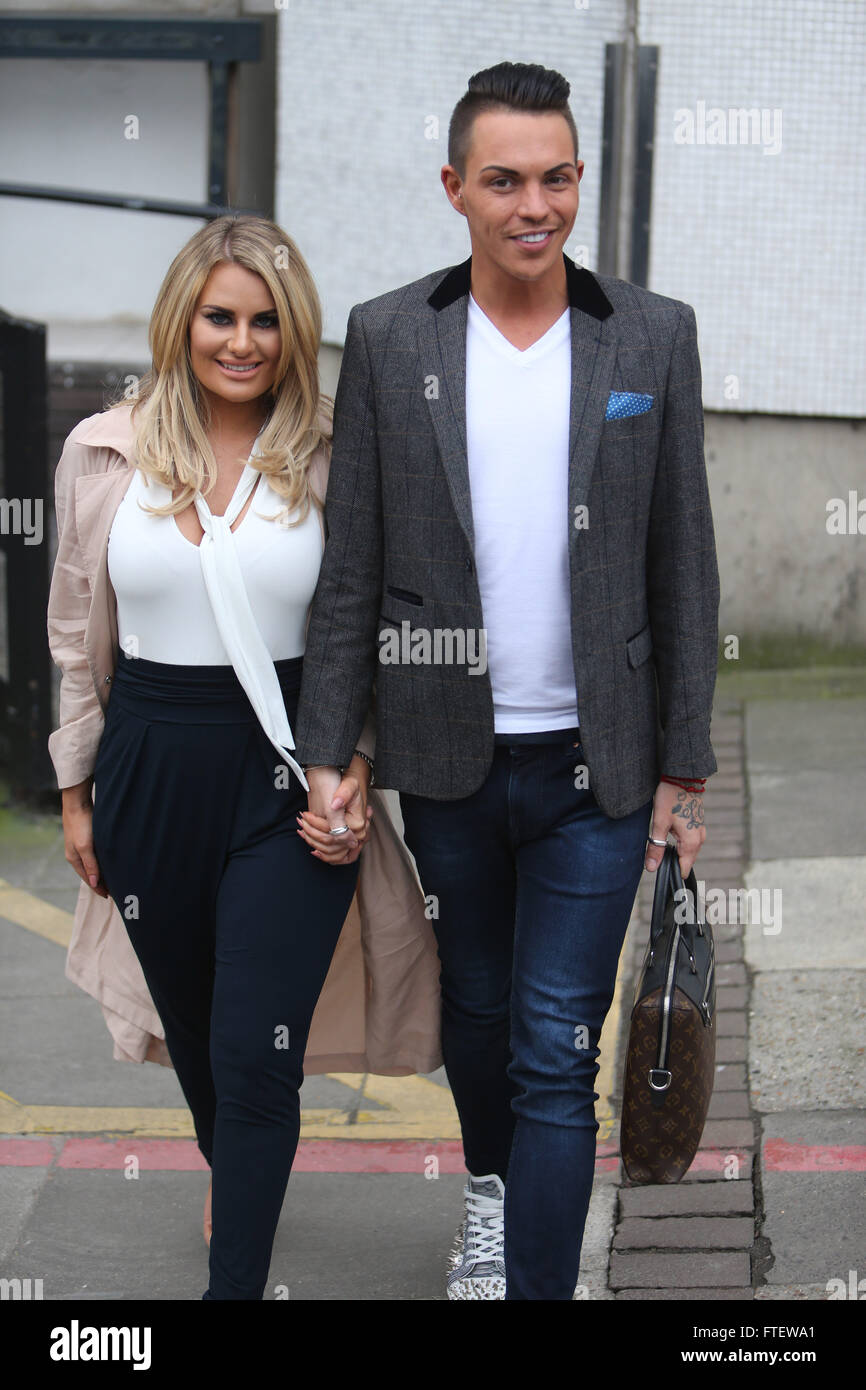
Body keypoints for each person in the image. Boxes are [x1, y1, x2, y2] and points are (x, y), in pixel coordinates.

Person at [294, 62, 720, 1300]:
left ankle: (536, 1277)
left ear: (576, 179)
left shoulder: (650, 333)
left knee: (551, 1045)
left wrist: (681, 763)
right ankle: (491, 1202)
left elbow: (680, 562)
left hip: (602, 762)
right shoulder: (387, 336)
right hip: (445, 754)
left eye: (554, 178)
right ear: (454, 189)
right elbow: (354, 562)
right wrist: (335, 743)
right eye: (503, 181)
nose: (532, 205)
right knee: (477, 1019)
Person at [46, 214, 441, 1301]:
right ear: (182, 321)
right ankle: (240, 1183)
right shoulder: (105, 450)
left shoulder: (329, 453)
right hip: (147, 774)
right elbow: (76, 635)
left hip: (286, 776)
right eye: (220, 315)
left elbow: (364, 630)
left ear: (293, 328)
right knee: (199, 1037)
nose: (242, 340)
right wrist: (76, 791)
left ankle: (236, 1286)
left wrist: (352, 761)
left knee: (256, 1051)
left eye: (266, 320)